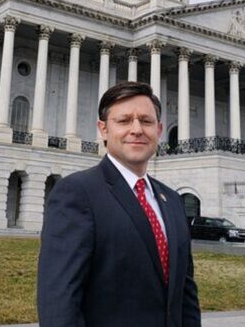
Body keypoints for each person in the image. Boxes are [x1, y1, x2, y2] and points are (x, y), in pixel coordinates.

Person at [37, 81, 202, 327]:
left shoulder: (172, 201)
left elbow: (185, 294)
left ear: (158, 130)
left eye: (146, 121)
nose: (136, 130)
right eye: (124, 121)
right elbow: (59, 303)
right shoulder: (77, 193)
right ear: (103, 129)